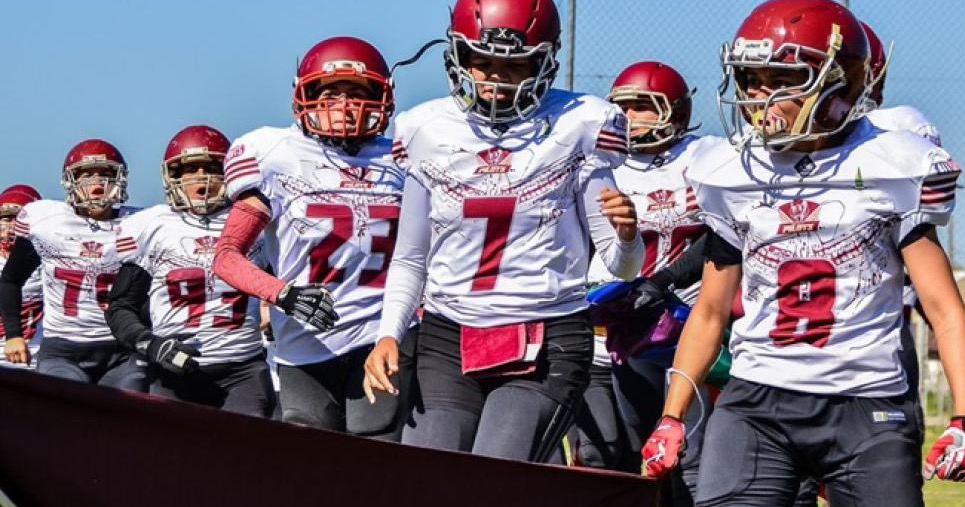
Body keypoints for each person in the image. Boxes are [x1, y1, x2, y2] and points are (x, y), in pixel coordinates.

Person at [640, 2, 965, 507]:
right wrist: (673, 416)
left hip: (864, 405)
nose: (758, 98)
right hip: (757, 402)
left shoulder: (892, 164)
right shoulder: (732, 174)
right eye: (750, 80)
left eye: (780, 80)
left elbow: (943, 306)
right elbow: (711, 312)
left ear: (837, 84)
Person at [364, 0, 644, 463]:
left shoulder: (579, 124)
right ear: (458, 60)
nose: (496, 79)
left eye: (515, 66)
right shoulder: (425, 129)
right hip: (448, 336)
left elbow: (621, 266)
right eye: (483, 64)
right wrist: (389, 332)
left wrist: (630, 237)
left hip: (547, 334)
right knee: (427, 480)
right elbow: (412, 257)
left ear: (544, 62)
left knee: (495, 473)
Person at [214, 37, 414, 438]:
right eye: (330, 92)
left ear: (381, 98)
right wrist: (282, 294)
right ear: (303, 96)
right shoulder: (274, 152)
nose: (343, 105)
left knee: (374, 444)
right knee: (310, 456)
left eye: (357, 92)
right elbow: (226, 256)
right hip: (303, 342)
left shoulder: (401, 157)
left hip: (380, 332)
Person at [580, 60, 711, 507]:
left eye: (644, 106)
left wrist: (665, 283)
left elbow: (721, 235)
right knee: (611, 452)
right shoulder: (596, 163)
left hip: (685, 324)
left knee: (687, 453)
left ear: (677, 112)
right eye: (625, 106)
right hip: (613, 331)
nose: (631, 117)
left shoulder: (705, 159)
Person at [106, 125, 275, 417]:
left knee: (245, 452)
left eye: (211, 167)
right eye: (190, 169)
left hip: (242, 368)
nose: (202, 177)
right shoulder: (152, 227)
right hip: (175, 368)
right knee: (174, 458)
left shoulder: (253, 224)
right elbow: (120, 307)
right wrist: (151, 343)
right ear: (173, 177)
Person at [0, 140, 145, 390]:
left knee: (132, 406)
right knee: (65, 405)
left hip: (121, 348)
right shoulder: (47, 223)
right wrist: (14, 335)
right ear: (70, 180)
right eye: (86, 175)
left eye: (106, 174)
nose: (97, 183)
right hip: (63, 349)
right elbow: (11, 280)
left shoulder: (141, 224)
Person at [0, 186, 44, 374]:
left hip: (35, 355)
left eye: (19, 219)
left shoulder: (48, 260)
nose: (12, 226)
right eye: (6, 219)